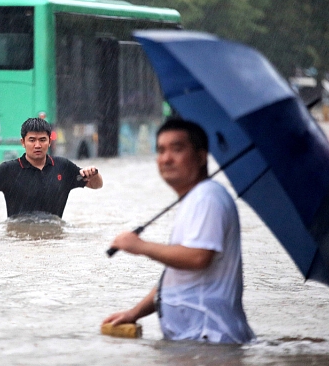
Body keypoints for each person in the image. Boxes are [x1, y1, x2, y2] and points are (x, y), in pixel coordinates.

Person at [102, 118, 254, 344]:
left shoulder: (207, 197)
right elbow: (177, 279)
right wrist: (134, 313)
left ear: (201, 157)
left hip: (210, 342)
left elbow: (198, 257)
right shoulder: (193, 200)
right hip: (192, 342)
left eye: (177, 149)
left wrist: (141, 247)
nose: (166, 158)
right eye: (161, 150)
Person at [0, 117, 102, 218]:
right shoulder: (9, 170)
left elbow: (96, 186)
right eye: (32, 140)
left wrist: (95, 174)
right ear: (23, 142)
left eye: (42, 140)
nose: (37, 145)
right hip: (19, 241)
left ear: (50, 142)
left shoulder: (63, 167)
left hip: (54, 241)